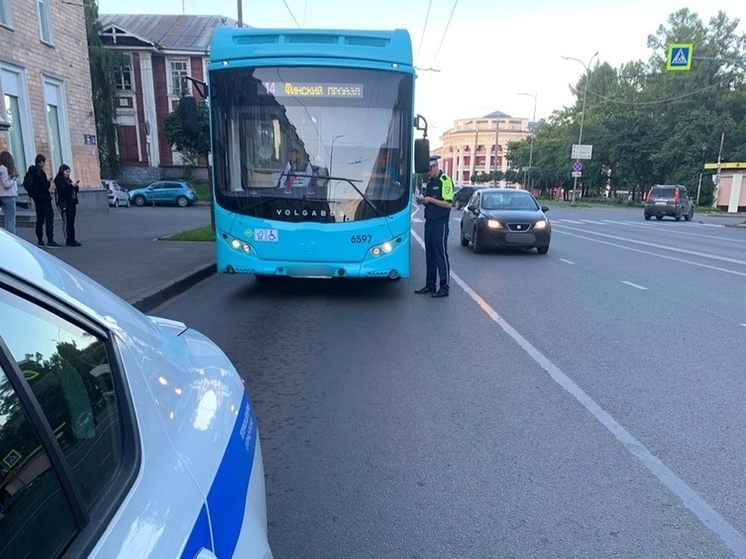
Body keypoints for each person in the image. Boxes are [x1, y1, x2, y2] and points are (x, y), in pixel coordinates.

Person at [414, 155, 454, 298]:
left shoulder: (445, 181)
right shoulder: (430, 182)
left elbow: (449, 204)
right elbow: (429, 200)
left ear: (436, 166)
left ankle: (444, 287)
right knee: (429, 254)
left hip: (440, 223)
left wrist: (430, 199)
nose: (428, 172)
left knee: (441, 254)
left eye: (429, 169)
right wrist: (424, 201)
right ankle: (430, 285)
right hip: (429, 222)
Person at [26, 154, 59, 247]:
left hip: (37, 199)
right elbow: (44, 186)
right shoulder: (40, 173)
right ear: (40, 162)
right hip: (44, 198)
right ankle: (50, 240)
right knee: (49, 218)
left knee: (40, 219)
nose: (44, 164)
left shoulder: (31, 172)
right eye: (43, 162)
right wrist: (48, 181)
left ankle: (40, 239)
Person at [54, 164, 81, 247]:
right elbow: (62, 190)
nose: (68, 174)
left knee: (71, 222)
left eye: (69, 172)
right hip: (64, 203)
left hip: (72, 202)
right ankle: (68, 239)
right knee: (67, 221)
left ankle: (72, 239)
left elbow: (74, 189)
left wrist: (75, 186)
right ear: (62, 171)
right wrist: (71, 186)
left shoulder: (68, 179)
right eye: (66, 172)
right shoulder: (58, 179)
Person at [0, 151, 19, 235]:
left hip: (2, 196)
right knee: (11, 220)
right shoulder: (3, 169)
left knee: (7, 220)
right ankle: (12, 238)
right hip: (8, 195)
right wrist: (13, 179)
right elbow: (6, 184)